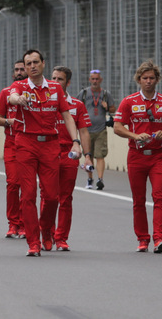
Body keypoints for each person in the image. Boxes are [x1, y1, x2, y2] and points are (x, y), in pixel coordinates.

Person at [6, 48, 82, 256]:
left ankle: (46, 230)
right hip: (26, 143)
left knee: (52, 196)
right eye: (28, 63)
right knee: (28, 195)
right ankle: (33, 242)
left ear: (43, 64)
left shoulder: (55, 88)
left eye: (35, 62)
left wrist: (76, 142)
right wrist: (17, 99)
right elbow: (12, 97)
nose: (31, 66)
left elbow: (67, 116)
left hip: (50, 145)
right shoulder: (19, 86)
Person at [113, 59, 162, 254]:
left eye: (152, 78)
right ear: (139, 80)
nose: (148, 81)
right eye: (145, 78)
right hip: (136, 155)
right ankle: (142, 238)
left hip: (158, 156)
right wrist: (135, 136)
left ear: (157, 79)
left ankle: (160, 238)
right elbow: (118, 128)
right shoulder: (129, 101)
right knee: (139, 199)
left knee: (159, 196)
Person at [48, 66, 92, 251]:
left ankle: (61, 238)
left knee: (65, 198)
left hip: (69, 154)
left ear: (68, 82)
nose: (55, 82)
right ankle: (46, 234)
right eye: (53, 78)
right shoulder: (44, 102)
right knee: (49, 197)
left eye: (60, 79)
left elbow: (83, 131)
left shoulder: (77, 105)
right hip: (48, 152)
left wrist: (88, 156)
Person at [0, 58, 27, 238]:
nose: (20, 72)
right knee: (13, 184)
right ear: (13, 73)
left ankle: (24, 224)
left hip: (29, 145)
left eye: (23, 69)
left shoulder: (33, 93)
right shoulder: (6, 93)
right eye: (17, 69)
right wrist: (9, 121)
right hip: (12, 144)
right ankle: (13, 224)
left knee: (27, 186)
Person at [78, 69, 115, 190]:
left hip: (101, 130)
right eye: (93, 79)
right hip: (86, 131)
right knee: (89, 155)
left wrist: (107, 107)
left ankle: (100, 179)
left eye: (97, 79)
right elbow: (76, 106)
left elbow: (113, 109)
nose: (95, 81)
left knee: (100, 155)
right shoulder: (83, 93)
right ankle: (90, 179)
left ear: (101, 80)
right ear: (89, 80)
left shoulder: (105, 94)